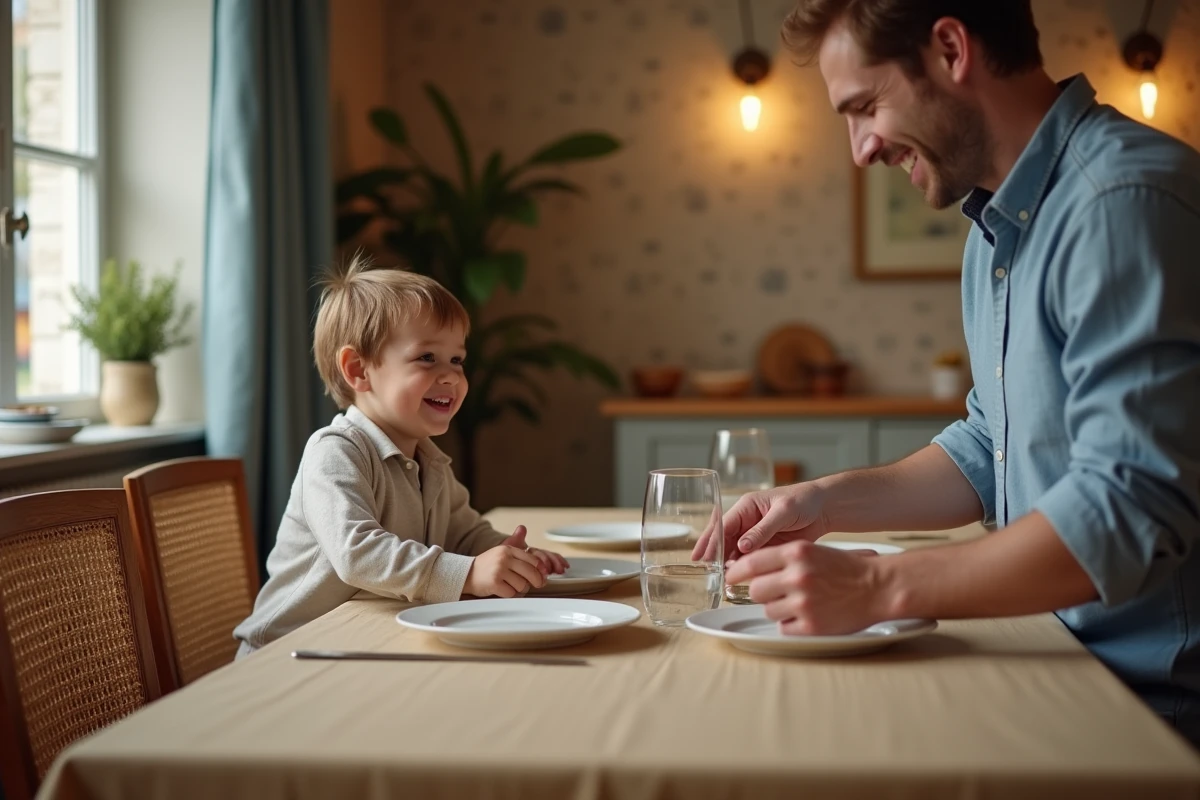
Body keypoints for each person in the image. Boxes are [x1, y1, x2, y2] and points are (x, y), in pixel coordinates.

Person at [707, 0, 1200, 742]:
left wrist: (876, 586)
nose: (860, 150)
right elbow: (989, 446)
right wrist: (820, 504)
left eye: (865, 106)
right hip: (1048, 664)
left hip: (1146, 715)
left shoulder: (1120, 204)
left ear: (949, 49)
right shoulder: (996, 231)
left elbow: (1127, 509)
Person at [235, 257, 568, 654]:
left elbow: (464, 533)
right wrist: (468, 574)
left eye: (457, 359)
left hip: (365, 644)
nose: (451, 376)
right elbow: (358, 553)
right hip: (289, 653)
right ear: (358, 370)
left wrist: (516, 557)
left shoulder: (430, 461)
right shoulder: (336, 451)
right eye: (427, 358)